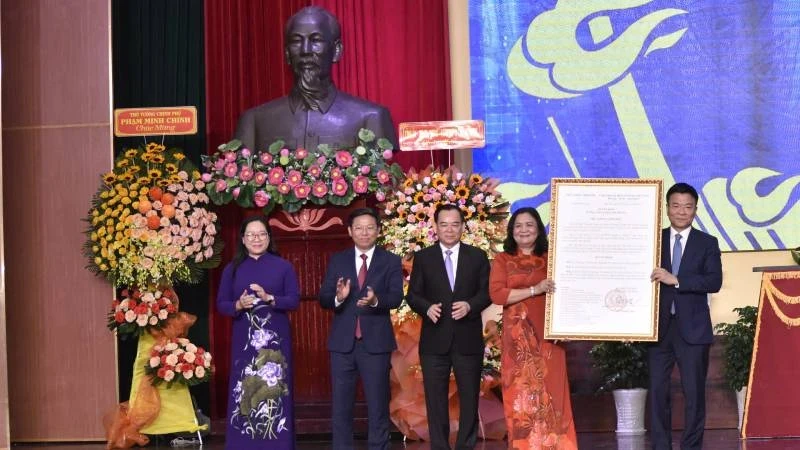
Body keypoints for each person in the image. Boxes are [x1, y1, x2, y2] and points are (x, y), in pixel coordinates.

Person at [234, 6, 398, 152]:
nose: (305, 51)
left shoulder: (371, 117)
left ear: (336, 50)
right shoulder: (254, 122)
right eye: (296, 41)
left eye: (316, 40)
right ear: (287, 54)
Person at [488, 207, 578, 449]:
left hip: (550, 337)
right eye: (518, 225)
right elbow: (497, 295)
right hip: (517, 341)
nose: (524, 229)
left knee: (553, 393)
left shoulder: (552, 258)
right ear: (511, 231)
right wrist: (534, 290)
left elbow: (570, 292)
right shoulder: (502, 260)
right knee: (521, 395)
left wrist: (569, 324)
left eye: (529, 225)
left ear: (539, 229)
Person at [407, 204, 491, 450]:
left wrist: (470, 305)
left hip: (468, 340)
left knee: (469, 399)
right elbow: (413, 295)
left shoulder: (477, 256)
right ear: (435, 227)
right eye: (444, 224)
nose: (450, 229)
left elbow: (487, 293)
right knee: (435, 402)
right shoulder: (423, 257)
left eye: (455, 224)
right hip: (434, 341)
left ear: (463, 226)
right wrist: (426, 307)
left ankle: (466, 445)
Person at [318, 208, 404, 450]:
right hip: (342, 345)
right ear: (350, 231)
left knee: (378, 405)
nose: (364, 232)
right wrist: (338, 297)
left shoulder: (390, 261)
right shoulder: (339, 259)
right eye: (359, 228)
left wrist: (376, 301)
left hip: (375, 344)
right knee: (341, 407)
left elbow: (396, 297)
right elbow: (324, 298)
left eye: (369, 228)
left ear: (378, 230)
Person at [649, 182, 723, 450]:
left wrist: (676, 279)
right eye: (676, 206)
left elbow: (713, 281)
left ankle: (691, 447)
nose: (681, 212)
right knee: (657, 393)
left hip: (693, 330)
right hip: (658, 329)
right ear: (667, 208)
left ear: (695, 210)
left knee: (693, 395)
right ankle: (660, 446)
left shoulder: (707, 242)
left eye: (688, 207)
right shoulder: (652, 240)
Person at [216, 216, 300, 449]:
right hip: (245, 340)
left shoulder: (283, 266)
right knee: (244, 388)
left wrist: (269, 297)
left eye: (262, 234)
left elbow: (293, 300)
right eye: (251, 235)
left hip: (275, 340)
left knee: (275, 389)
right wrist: (238, 305)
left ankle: (278, 442)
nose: (256, 239)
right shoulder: (232, 269)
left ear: (269, 238)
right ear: (242, 239)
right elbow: (221, 303)